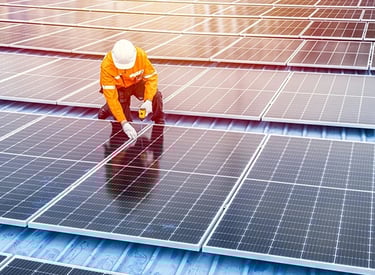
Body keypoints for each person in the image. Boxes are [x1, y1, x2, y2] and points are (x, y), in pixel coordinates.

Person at [98, 39, 165, 139]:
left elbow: (152, 78)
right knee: (124, 121)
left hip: (136, 83)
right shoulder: (106, 66)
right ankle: (110, 107)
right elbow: (112, 97)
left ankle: (158, 118)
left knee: (156, 95)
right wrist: (124, 123)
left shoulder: (140, 56)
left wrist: (148, 100)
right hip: (119, 89)